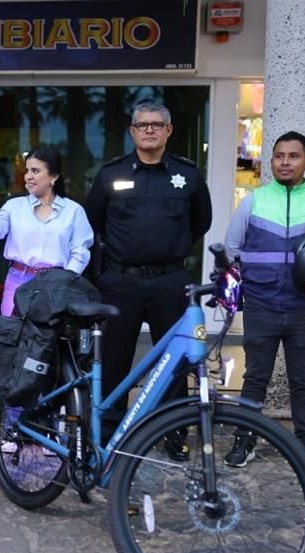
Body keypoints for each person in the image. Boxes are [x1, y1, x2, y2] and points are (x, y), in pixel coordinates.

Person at [84, 101, 212, 460]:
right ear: (132, 131)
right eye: (142, 125)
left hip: (170, 283)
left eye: (157, 124)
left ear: (169, 130)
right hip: (121, 283)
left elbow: (201, 221)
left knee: (176, 362)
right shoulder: (111, 174)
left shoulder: (187, 175)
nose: (150, 130)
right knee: (113, 362)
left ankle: (174, 435)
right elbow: (93, 221)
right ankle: (109, 433)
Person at [224, 131, 305, 477]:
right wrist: (241, 291)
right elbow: (232, 250)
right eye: (279, 155)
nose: (285, 161)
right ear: (271, 162)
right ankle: (244, 439)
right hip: (262, 305)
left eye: (293, 156)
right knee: (255, 378)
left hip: (304, 308)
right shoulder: (253, 202)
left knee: (303, 380)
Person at [0, 147, 93, 316]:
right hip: (18, 280)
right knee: (12, 334)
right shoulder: (14, 206)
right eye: (27, 170)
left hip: (56, 284)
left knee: (49, 338)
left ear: (53, 177)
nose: (28, 176)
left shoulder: (73, 211)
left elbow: (80, 252)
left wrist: (65, 281)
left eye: (35, 171)